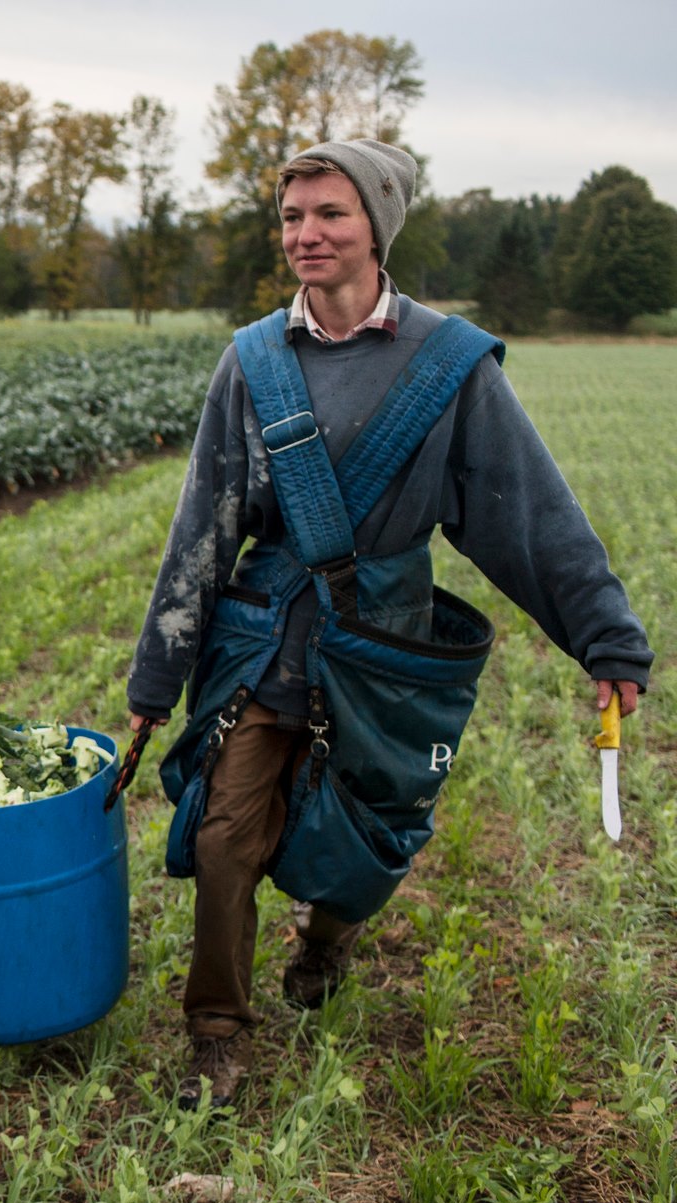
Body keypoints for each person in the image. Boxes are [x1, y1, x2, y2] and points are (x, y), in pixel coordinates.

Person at [126, 139, 652, 1111]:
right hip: (267, 635)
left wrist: (604, 636)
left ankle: (328, 939)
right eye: (290, 216)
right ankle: (214, 1029)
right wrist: (153, 683)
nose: (305, 234)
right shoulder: (250, 363)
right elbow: (200, 528)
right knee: (221, 835)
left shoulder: (447, 366)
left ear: (376, 223)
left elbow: (525, 515)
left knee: (370, 833)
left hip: (383, 644)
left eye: (328, 213)